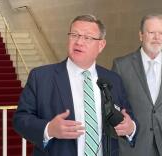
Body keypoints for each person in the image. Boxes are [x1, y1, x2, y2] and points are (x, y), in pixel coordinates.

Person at [13, 14, 137, 156]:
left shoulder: (113, 79)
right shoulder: (41, 77)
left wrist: (130, 127)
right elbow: (20, 120)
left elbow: (129, 118)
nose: (79, 42)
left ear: (101, 45)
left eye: (87, 37)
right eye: (74, 35)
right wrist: (48, 129)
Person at [112, 13, 162, 156]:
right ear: (141, 35)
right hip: (133, 147)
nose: (157, 38)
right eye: (151, 32)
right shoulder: (121, 65)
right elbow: (114, 107)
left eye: (161, 33)